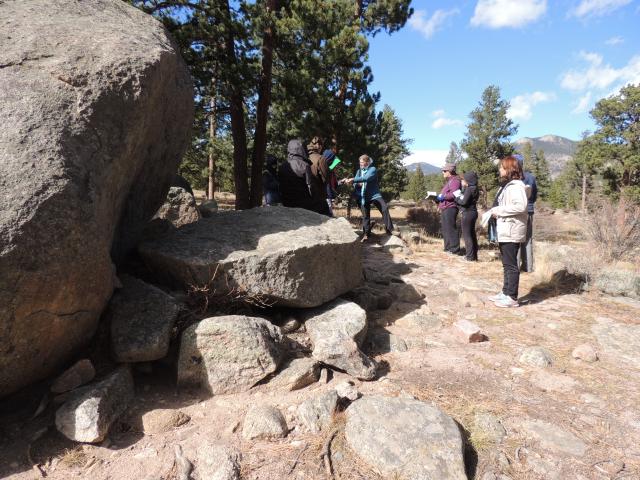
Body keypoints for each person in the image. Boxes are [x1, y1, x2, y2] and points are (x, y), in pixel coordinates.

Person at [484, 156, 530, 308]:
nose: (499, 170)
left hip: (512, 230)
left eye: (502, 167)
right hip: (507, 229)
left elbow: (521, 206)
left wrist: (498, 210)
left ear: (510, 169)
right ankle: (505, 292)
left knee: (511, 265)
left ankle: (512, 297)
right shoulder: (508, 185)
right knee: (506, 263)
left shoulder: (516, 186)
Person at [343, 154, 393, 242]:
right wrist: (355, 183)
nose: (361, 164)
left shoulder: (372, 169)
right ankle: (366, 234)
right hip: (363, 196)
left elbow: (366, 178)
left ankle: (389, 229)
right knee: (366, 216)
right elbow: (356, 183)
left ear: (367, 162)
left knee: (384, 208)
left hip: (374, 195)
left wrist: (354, 179)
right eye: (360, 163)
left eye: (362, 163)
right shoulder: (359, 171)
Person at [514, 154, 538, 272]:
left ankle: (515, 267)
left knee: (517, 239)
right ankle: (528, 267)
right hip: (529, 210)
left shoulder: (514, 178)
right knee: (528, 239)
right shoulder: (531, 177)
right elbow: (534, 196)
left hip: (517, 212)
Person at [278, 139, 316, 212]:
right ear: (301, 149)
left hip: (286, 202)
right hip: (303, 203)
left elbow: (280, 185)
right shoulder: (305, 165)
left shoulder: (282, 166)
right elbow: (310, 186)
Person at [436, 163, 462, 254]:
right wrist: (439, 202)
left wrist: (443, 197)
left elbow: (454, 194)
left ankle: (455, 249)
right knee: (445, 228)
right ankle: (447, 248)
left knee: (451, 228)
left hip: (450, 207)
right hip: (445, 207)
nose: (442, 172)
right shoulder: (450, 181)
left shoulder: (455, 181)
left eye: (444, 171)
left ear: (449, 171)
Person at [455, 171, 479, 261]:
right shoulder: (475, 188)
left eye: (463, 180)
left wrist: (457, 198)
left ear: (468, 180)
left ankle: (469, 256)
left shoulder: (469, 189)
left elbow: (464, 202)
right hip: (473, 212)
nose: (462, 182)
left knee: (467, 235)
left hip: (467, 213)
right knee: (472, 234)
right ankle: (474, 256)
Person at [307, 137, 331, 216]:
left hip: (307, 197)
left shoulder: (304, 157)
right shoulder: (320, 158)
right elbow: (325, 179)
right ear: (319, 146)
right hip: (319, 197)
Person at [323, 149, 340, 216]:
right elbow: (336, 161)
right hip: (326, 197)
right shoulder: (326, 169)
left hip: (328, 196)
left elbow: (333, 185)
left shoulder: (330, 170)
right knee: (329, 215)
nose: (336, 166)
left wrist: (341, 182)